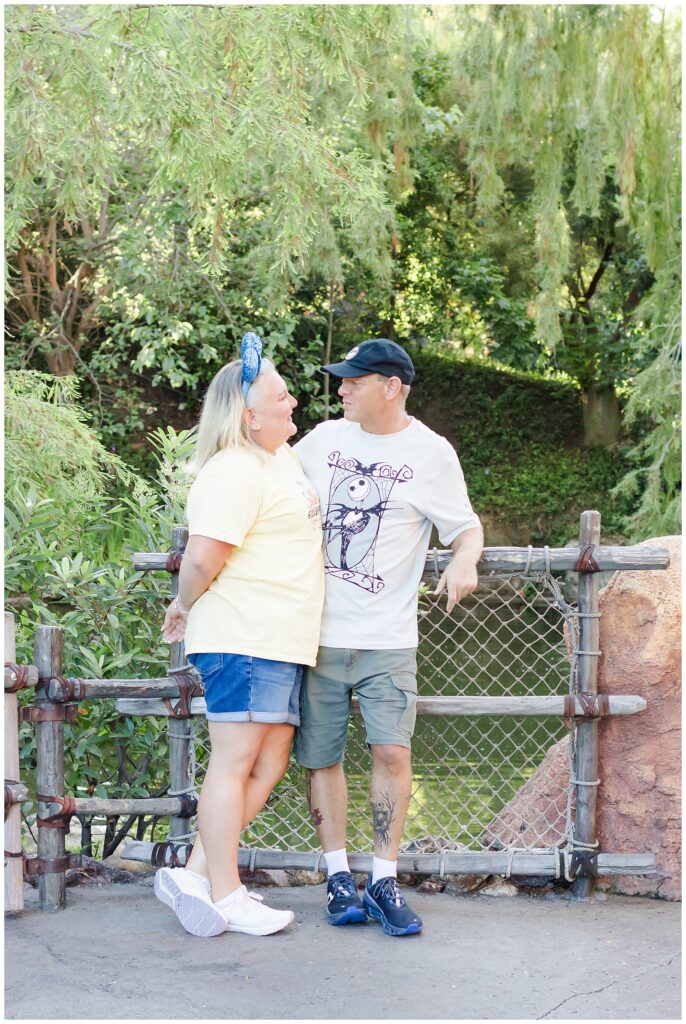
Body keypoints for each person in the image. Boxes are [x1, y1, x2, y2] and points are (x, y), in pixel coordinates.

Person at [293, 338, 483, 937]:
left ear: (391, 387)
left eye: (354, 380)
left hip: (389, 638)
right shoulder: (322, 441)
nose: (342, 388)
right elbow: (267, 485)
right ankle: (336, 880)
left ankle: (382, 877)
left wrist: (464, 560)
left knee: (391, 753)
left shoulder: (431, 452)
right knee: (321, 757)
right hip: (314, 635)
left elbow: (465, 527)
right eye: (342, 381)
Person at [154, 333, 324, 937]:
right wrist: (182, 606)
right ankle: (225, 891)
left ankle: (197, 873)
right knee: (235, 762)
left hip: (280, 638)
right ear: (248, 416)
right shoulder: (232, 471)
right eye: (281, 397)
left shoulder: (280, 458)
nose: (293, 403)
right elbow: (203, 559)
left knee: (270, 760)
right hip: (243, 636)